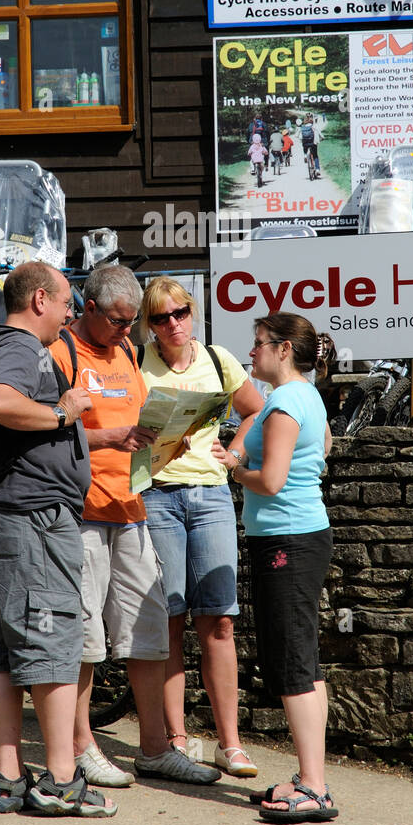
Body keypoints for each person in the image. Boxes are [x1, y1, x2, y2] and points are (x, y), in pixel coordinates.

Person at [50, 265, 222, 786]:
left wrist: (171, 439)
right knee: (83, 637)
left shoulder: (125, 352)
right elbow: (47, 431)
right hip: (82, 511)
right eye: (121, 321)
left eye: (133, 322)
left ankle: (153, 748)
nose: (130, 331)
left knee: (148, 633)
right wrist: (110, 438)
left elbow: (139, 428)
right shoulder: (60, 354)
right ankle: (80, 747)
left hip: (133, 506)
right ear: (90, 310)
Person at [0, 260, 117, 818]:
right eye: (67, 303)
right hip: (32, 517)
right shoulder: (22, 349)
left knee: (3, 644)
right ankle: (59, 780)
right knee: (52, 641)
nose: (71, 314)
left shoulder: (1, 344)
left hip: (8, 512)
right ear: (39, 301)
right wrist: (61, 411)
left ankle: (8, 779)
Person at [213, 311, 336, 822]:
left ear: (284, 349)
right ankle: (311, 778)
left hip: (287, 540)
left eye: (260, 343)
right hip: (300, 536)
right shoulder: (306, 395)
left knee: (291, 662)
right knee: (301, 658)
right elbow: (324, 449)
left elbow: (272, 481)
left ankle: (314, 789)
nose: (253, 351)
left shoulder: (284, 401)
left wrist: (233, 466)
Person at [138, 277, 264, 776]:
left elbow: (256, 409)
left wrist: (233, 453)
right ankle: (176, 738)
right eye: (161, 318)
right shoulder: (136, 361)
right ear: (149, 325)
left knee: (219, 620)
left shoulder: (218, 358)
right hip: (155, 493)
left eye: (180, 313)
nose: (173, 324)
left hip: (210, 495)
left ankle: (229, 743)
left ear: (192, 312)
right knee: (168, 622)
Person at [301, 113, 320, 179]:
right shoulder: (313, 126)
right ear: (312, 119)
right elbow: (319, 133)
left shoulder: (303, 127)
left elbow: (298, 136)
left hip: (306, 143)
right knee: (315, 156)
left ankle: (305, 155)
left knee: (304, 145)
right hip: (313, 143)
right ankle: (317, 169)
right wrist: (322, 138)